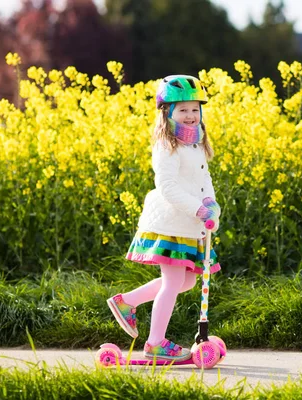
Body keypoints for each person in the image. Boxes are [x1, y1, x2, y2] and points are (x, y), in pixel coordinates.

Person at [107, 75, 222, 361]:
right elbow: (167, 186)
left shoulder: (196, 144)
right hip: (170, 222)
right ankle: (154, 343)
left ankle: (127, 302)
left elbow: (203, 180)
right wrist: (198, 209)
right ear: (167, 112)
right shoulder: (166, 145)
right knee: (172, 283)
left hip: (187, 224)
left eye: (195, 109)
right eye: (183, 110)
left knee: (187, 282)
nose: (190, 115)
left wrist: (211, 204)